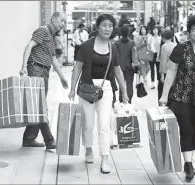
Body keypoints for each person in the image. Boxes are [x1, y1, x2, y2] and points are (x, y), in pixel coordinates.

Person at [159, 15, 195, 181]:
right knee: (186, 129)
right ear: (189, 30)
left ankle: (189, 161)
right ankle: (188, 165)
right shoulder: (181, 48)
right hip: (180, 96)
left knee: (194, 130)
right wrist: (164, 95)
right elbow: (171, 72)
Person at [68, 14, 129, 174]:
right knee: (88, 124)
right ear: (97, 27)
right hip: (87, 88)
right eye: (104, 25)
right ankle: (88, 149)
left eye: (110, 25)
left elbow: (117, 70)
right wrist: (72, 89)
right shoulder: (86, 46)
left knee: (104, 125)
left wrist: (124, 90)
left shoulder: (112, 47)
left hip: (106, 88)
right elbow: (78, 67)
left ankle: (104, 159)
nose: (107, 28)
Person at [19, 12, 69, 149]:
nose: (63, 24)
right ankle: (50, 140)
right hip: (36, 70)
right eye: (61, 20)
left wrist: (62, 77)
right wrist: (23, 66)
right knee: (40, 106)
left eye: (65, 22)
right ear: (53, 18)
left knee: (37, 106)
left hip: (44, 71)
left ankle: (29, 138)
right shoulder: (43, 30)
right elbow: (29, 46)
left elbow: (53, 59)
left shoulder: (52, 37)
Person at [114, 26, 139, 104]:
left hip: (119, 67)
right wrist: (136, 66)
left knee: (121, 84)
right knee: (129, 84)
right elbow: (134, 56)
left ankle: (122, 100)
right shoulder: (132, 42)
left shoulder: (116, 43)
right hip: (129, 67)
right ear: (129, 33)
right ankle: (129, 100)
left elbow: (115, 56)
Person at [158, 29, 176, 103]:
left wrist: (161, 74)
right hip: (174, 70)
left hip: (166, 71)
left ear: (163, 37)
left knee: (162, 89)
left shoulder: (164, 46)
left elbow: (163, 61)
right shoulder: (175, 45)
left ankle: (163, 103)